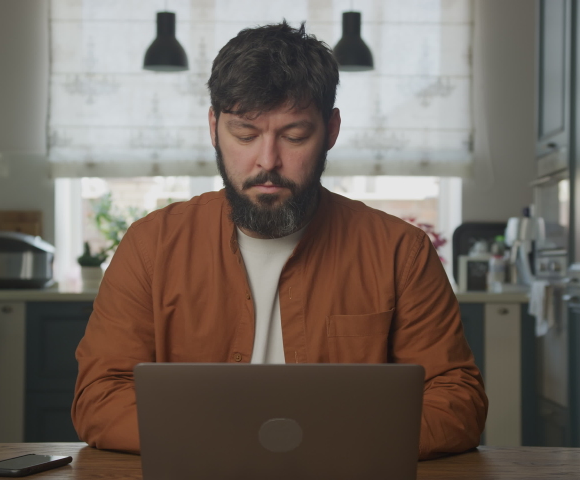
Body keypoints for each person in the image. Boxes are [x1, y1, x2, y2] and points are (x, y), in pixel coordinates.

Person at [72, 21, 487, 460]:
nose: (267, 161)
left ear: (330, 130)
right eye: (245, 135)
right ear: (214, 127)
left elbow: (458, 402)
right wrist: (242, 443)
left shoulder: (400, 251)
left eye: (294, 136)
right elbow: (100, 396)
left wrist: (312, 444)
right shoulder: (150, 245)